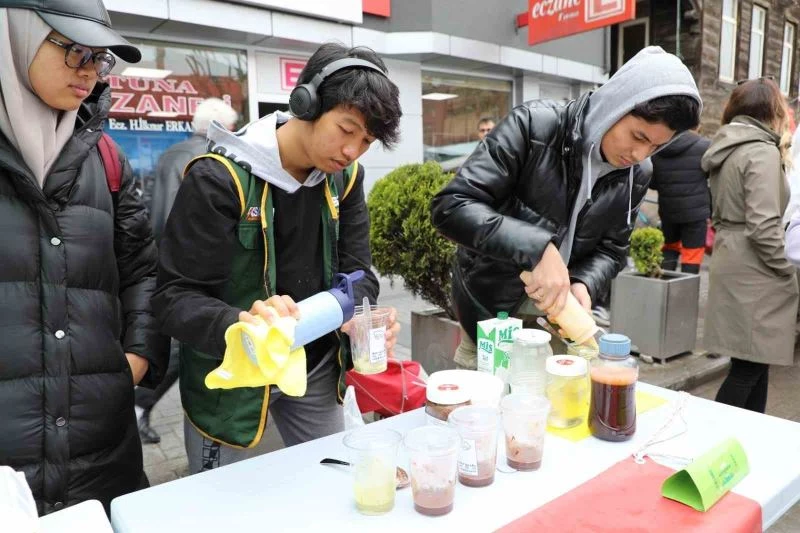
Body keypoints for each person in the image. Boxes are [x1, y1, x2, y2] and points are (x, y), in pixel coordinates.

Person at [151, 43, 403, 474]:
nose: (351, 151)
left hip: (317, 365)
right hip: (233, 381)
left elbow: (360, 271)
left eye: (366, 141)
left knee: (335, 481)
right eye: (346, 129)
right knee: (218, 503)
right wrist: (243, 322)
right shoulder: (220, 177)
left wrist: (357, 312)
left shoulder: (345, 179)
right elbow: (174, 298)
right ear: (306, 102)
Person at [430, 47, 701, 369]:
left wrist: (584, 283)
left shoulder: (637, 174)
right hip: (490, 316)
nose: (639, 153)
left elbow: (613, 250)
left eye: (656, 146)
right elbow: (451, 206)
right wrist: (537, 249)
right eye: (637, 136)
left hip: (560, 324)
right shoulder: (533, 126)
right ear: (615, 106)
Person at [0, 1, 168, 513]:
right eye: (77, 52)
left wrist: (136, 356)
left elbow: (142, 269)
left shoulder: (105, 156)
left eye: (102, 59)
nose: (92, 73)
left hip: (102, 454)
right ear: (16, 36)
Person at [135, 97, 238, 444]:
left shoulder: (169, 154)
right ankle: (138, 407)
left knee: (172, 343)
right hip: (188, 268)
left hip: (158, 256)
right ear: (223, 129)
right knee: (182, 349)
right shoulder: (215, 162)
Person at [701, 77, 798, 413]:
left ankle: (748, 438)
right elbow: (764, 225)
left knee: (754, 362)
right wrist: (785, 270)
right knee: (750, 367)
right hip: (755, 269)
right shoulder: (761, 150)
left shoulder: (729, 144)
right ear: (772, 110)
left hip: (733, 257)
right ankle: (714, 440)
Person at [649, 127, 711, 274]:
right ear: (697, 127)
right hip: (696, 213)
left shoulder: (658, 148)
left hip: (668, 211)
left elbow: (653, 183)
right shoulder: (704, 146)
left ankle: (665, 288)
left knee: (669, 249)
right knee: (692, 253)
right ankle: (686, 292)